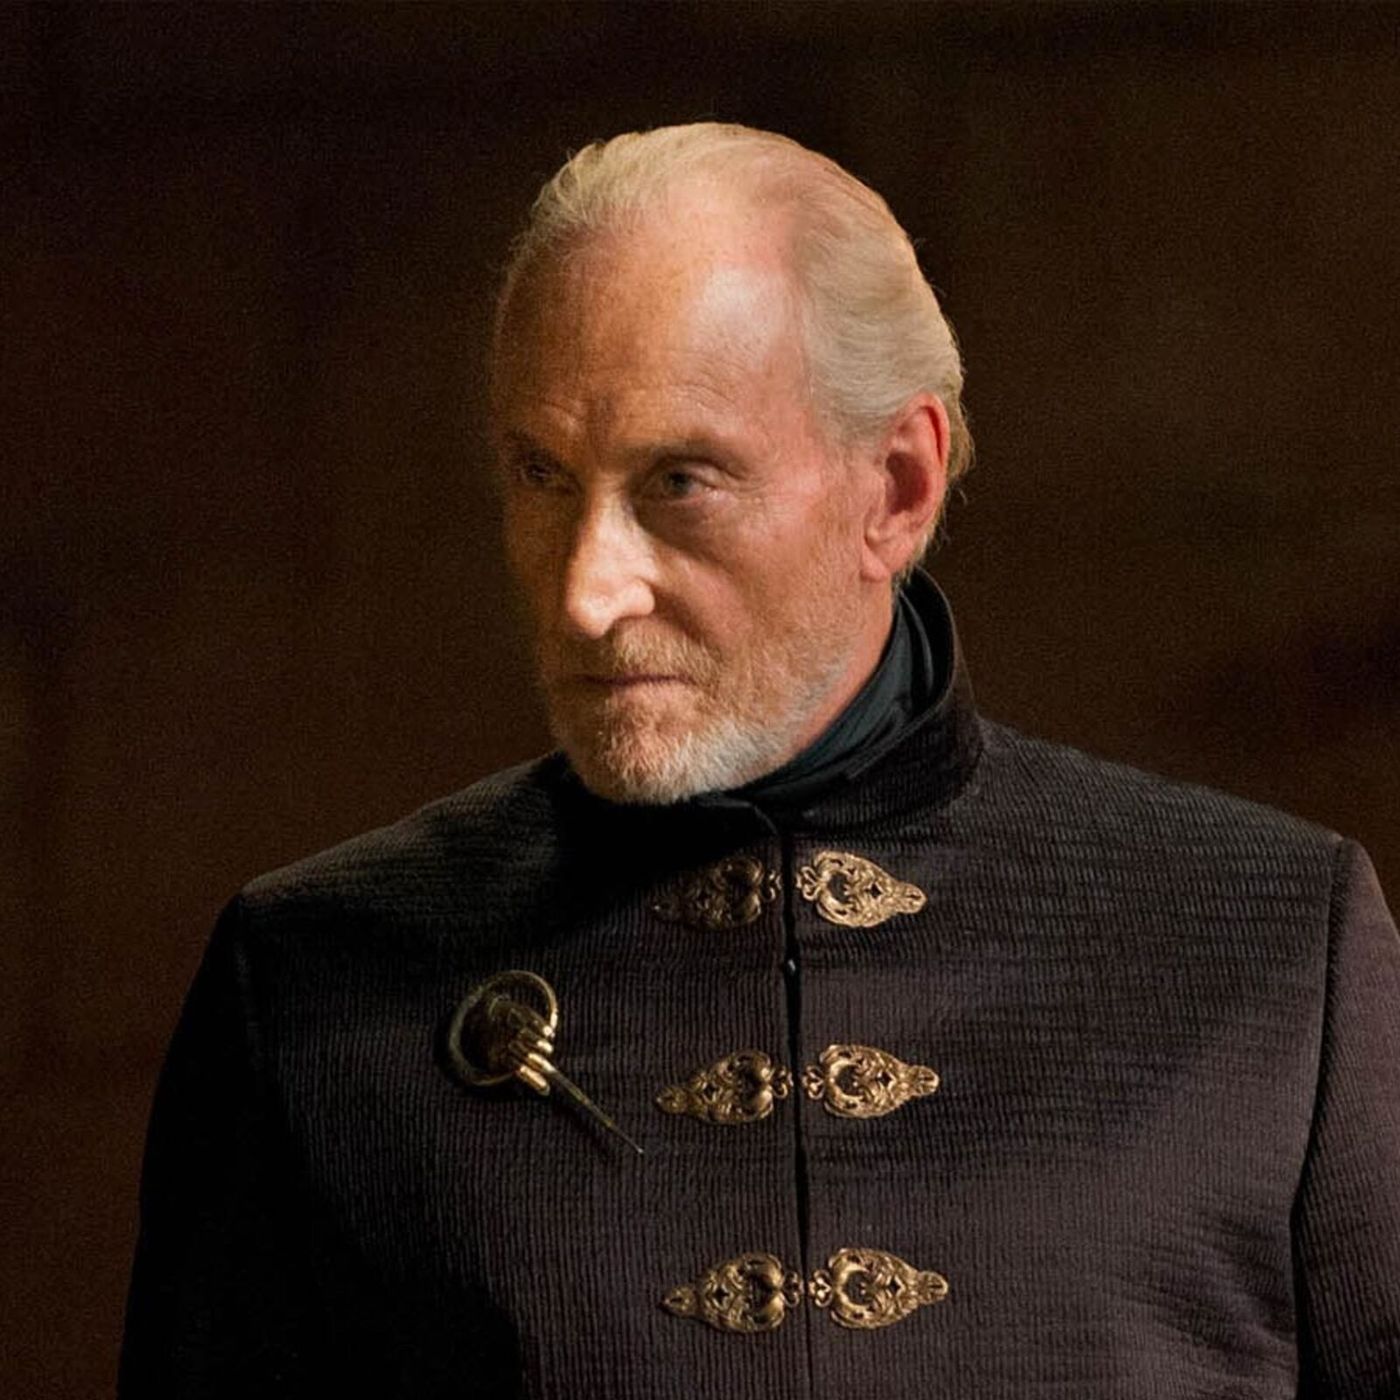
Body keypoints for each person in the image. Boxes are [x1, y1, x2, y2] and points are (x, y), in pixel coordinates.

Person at [121, 123, 1400, 1399]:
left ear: (894, 487)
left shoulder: (1279, 951)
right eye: (541, 474)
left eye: (679, 480)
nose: (584, 594)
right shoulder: (308, 984)